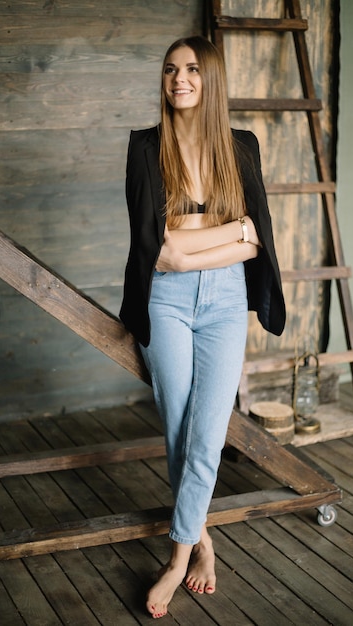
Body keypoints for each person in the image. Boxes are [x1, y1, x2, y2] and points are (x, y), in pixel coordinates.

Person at [120, 35, 285, 619]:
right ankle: (203, 547)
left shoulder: (242, 148)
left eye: (191, 69)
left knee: (207, 436)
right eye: (170, 69)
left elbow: (257, 238)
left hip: (222, 304)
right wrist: (229, 230)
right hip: (164, 302)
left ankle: (176, 558)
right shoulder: (145, 148)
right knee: (180, 430)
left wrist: (193, 252)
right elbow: (156, 245)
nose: (179, 79)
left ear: (209, 79)